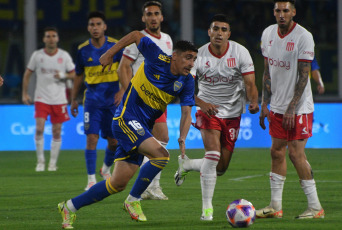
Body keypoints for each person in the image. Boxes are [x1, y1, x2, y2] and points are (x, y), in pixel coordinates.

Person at [57, 30, 197, 229]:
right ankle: (133, 200)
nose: (191, 63)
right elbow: (135, 35)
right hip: (125, 118)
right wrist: (109, 54)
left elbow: (186, 113)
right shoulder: (157, 56)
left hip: (141, 127)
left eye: (194, 59)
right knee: (161, 155)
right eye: (188, 58)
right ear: (175, 56)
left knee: (116, 184)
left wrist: (182, 137)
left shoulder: (187, 81)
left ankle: (69, 207)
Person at [174, 14, 259, 221]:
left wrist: (253, 101)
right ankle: (207, 210)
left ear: (228, 34)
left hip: (232, 114)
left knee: (220, 168)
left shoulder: (241, 52)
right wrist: (202, 103)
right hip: (207, 111)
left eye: (223, 29)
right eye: (215, 29)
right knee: (212, 155)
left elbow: (250, 84)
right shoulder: (199, 56)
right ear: (209, 32)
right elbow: (185, 88)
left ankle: (187, 165)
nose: (219, 33)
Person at [257, 0, 324, 219]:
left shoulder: (303, 37)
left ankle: (315, 208)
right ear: (274, 12)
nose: (282, 14)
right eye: (278, 10)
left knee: (296, 153)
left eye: (286, 10)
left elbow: (304, 76)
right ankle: (275, 207)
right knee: (276, 152)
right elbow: (267, 72)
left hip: (299, 108)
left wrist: (292, 108)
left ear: (293, 12)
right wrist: (265, 103)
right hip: (276, 106)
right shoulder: (268, 34)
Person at [117, 0, 172, 200]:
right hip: (141, 100)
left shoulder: (167, 39)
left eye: (156, 13)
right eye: (149, 14)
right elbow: (122, 67)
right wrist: (129, 93)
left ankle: (149, 186)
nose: (153, 17)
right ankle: (150, 187)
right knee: (159, 140)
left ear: (161, 17)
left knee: (159, 141)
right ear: (143, 18)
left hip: (158, 99)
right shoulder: (138, 40)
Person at [71, 11, 123, 191]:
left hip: (113, 101)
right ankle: (91, 180)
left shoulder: (116, 46)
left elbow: (126, 68)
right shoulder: (83, 50)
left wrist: (123, 90)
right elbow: (78, 75)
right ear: (88, 27)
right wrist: (73, 99)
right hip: (92, 101)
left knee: (114, 142)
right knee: (91, 138)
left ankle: (105, 169)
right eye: (92, 24)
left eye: (98, 24)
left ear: (105, 26)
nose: (95, 28)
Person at [22, 27, 75, 172]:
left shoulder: (64, 56)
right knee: (39, 129)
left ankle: (52, 164)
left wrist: (63, 75)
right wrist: (25, 94)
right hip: (41, 98)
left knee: (56, 132)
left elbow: (75, 74)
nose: (51, 39)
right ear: (44, 39)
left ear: (57, 38)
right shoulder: (37, 56)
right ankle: (40, 161)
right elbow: (27, 74)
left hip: (59, 100)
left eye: (53, 36)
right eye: (48, 36)